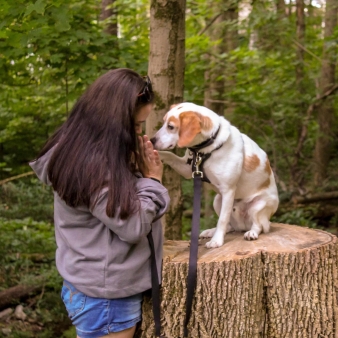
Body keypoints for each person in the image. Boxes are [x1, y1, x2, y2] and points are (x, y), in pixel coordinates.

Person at [29, 68, 170, 338]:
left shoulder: (82, 150)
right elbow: (132, 226)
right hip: (106, 299)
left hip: (97, 287)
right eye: (137, 125)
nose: (141, 133)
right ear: (113, 121)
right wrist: (152, 179)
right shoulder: (93, 168)